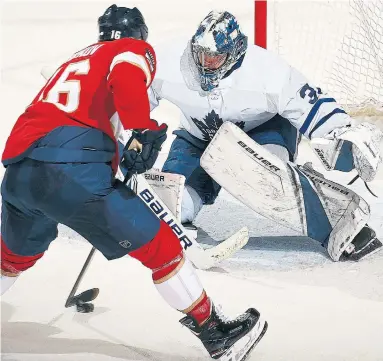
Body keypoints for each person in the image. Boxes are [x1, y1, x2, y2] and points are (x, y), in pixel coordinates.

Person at [0, 5, 267, 360]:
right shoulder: (131, 50)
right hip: (72, 171)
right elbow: (126, 75)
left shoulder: (76, 60)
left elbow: (73, 111)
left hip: (20, 171)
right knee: (163, 247)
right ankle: (217, 334)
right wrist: (140, 128)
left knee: (12, 256)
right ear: (140, 34)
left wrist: (117, 147)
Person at [148, 10, 383, 262]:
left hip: (264, 132)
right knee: (170, 205)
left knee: (266, 178)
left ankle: (344, 223)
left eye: (215, 57)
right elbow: (135, 95)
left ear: (235, 52)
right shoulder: (171, 61)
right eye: (201, 55)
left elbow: (311, 104)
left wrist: (341, 130)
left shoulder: (267, 71)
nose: (205, 63)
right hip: (197, 138)